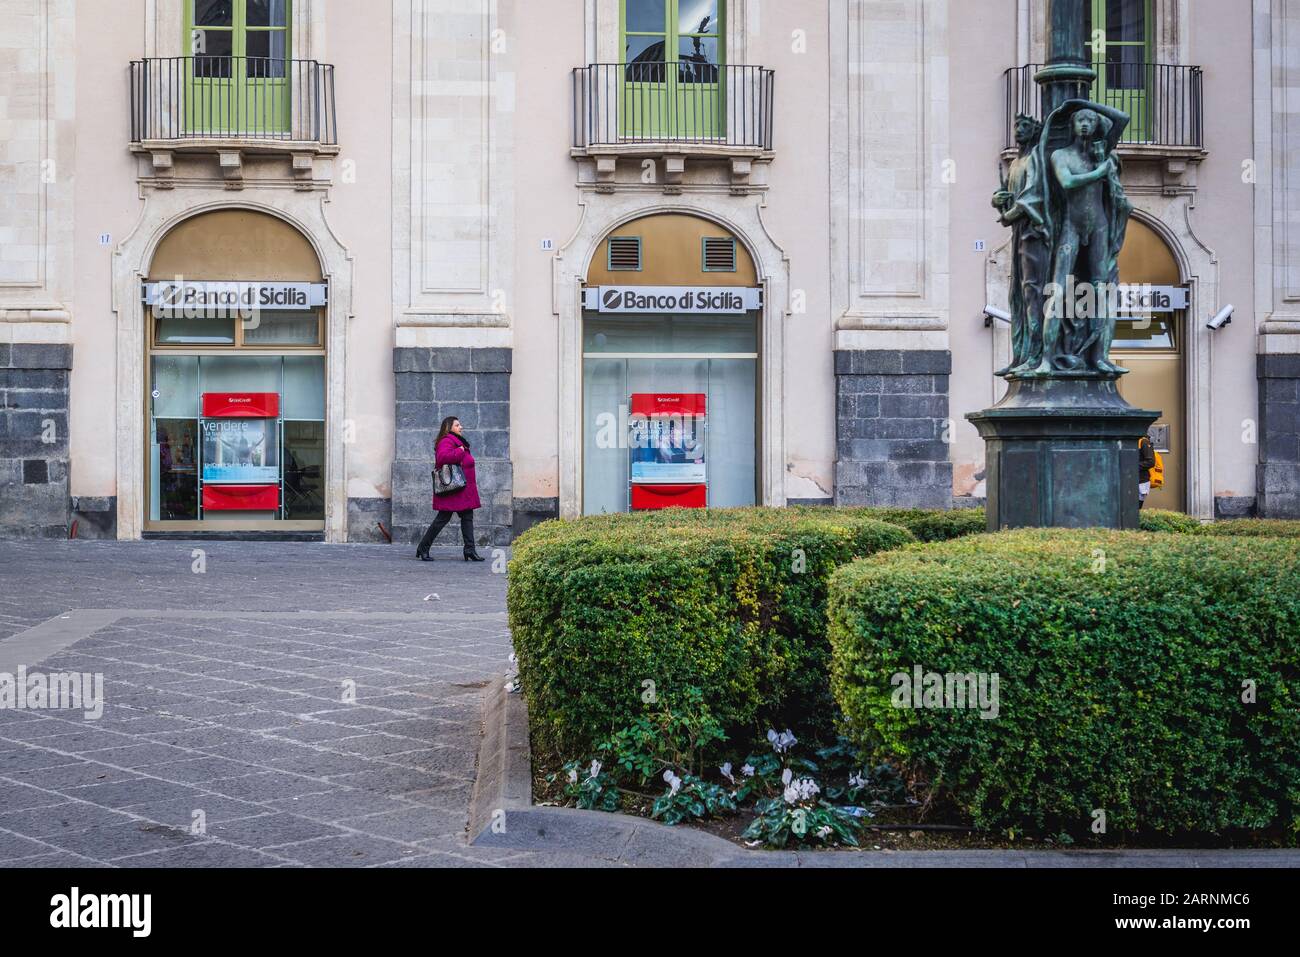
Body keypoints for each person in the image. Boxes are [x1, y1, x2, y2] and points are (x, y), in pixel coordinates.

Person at [416, 416, 485, 562]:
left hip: (462, 489)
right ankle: (423, 547)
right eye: (457, 425)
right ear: (449, 427)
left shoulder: (457, 441)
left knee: (467, 517)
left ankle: (470, 550)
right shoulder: (447, 441)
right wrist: (460, 451)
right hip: (453, 489)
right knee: (442, 518)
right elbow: (442, 458)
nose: (461, 427)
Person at [1137, 434, 1157, 510]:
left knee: (1135, 509)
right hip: (1131, 480)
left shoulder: (1143, 441)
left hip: (1141, 482)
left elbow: (1151, 462)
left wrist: (1132, 466)